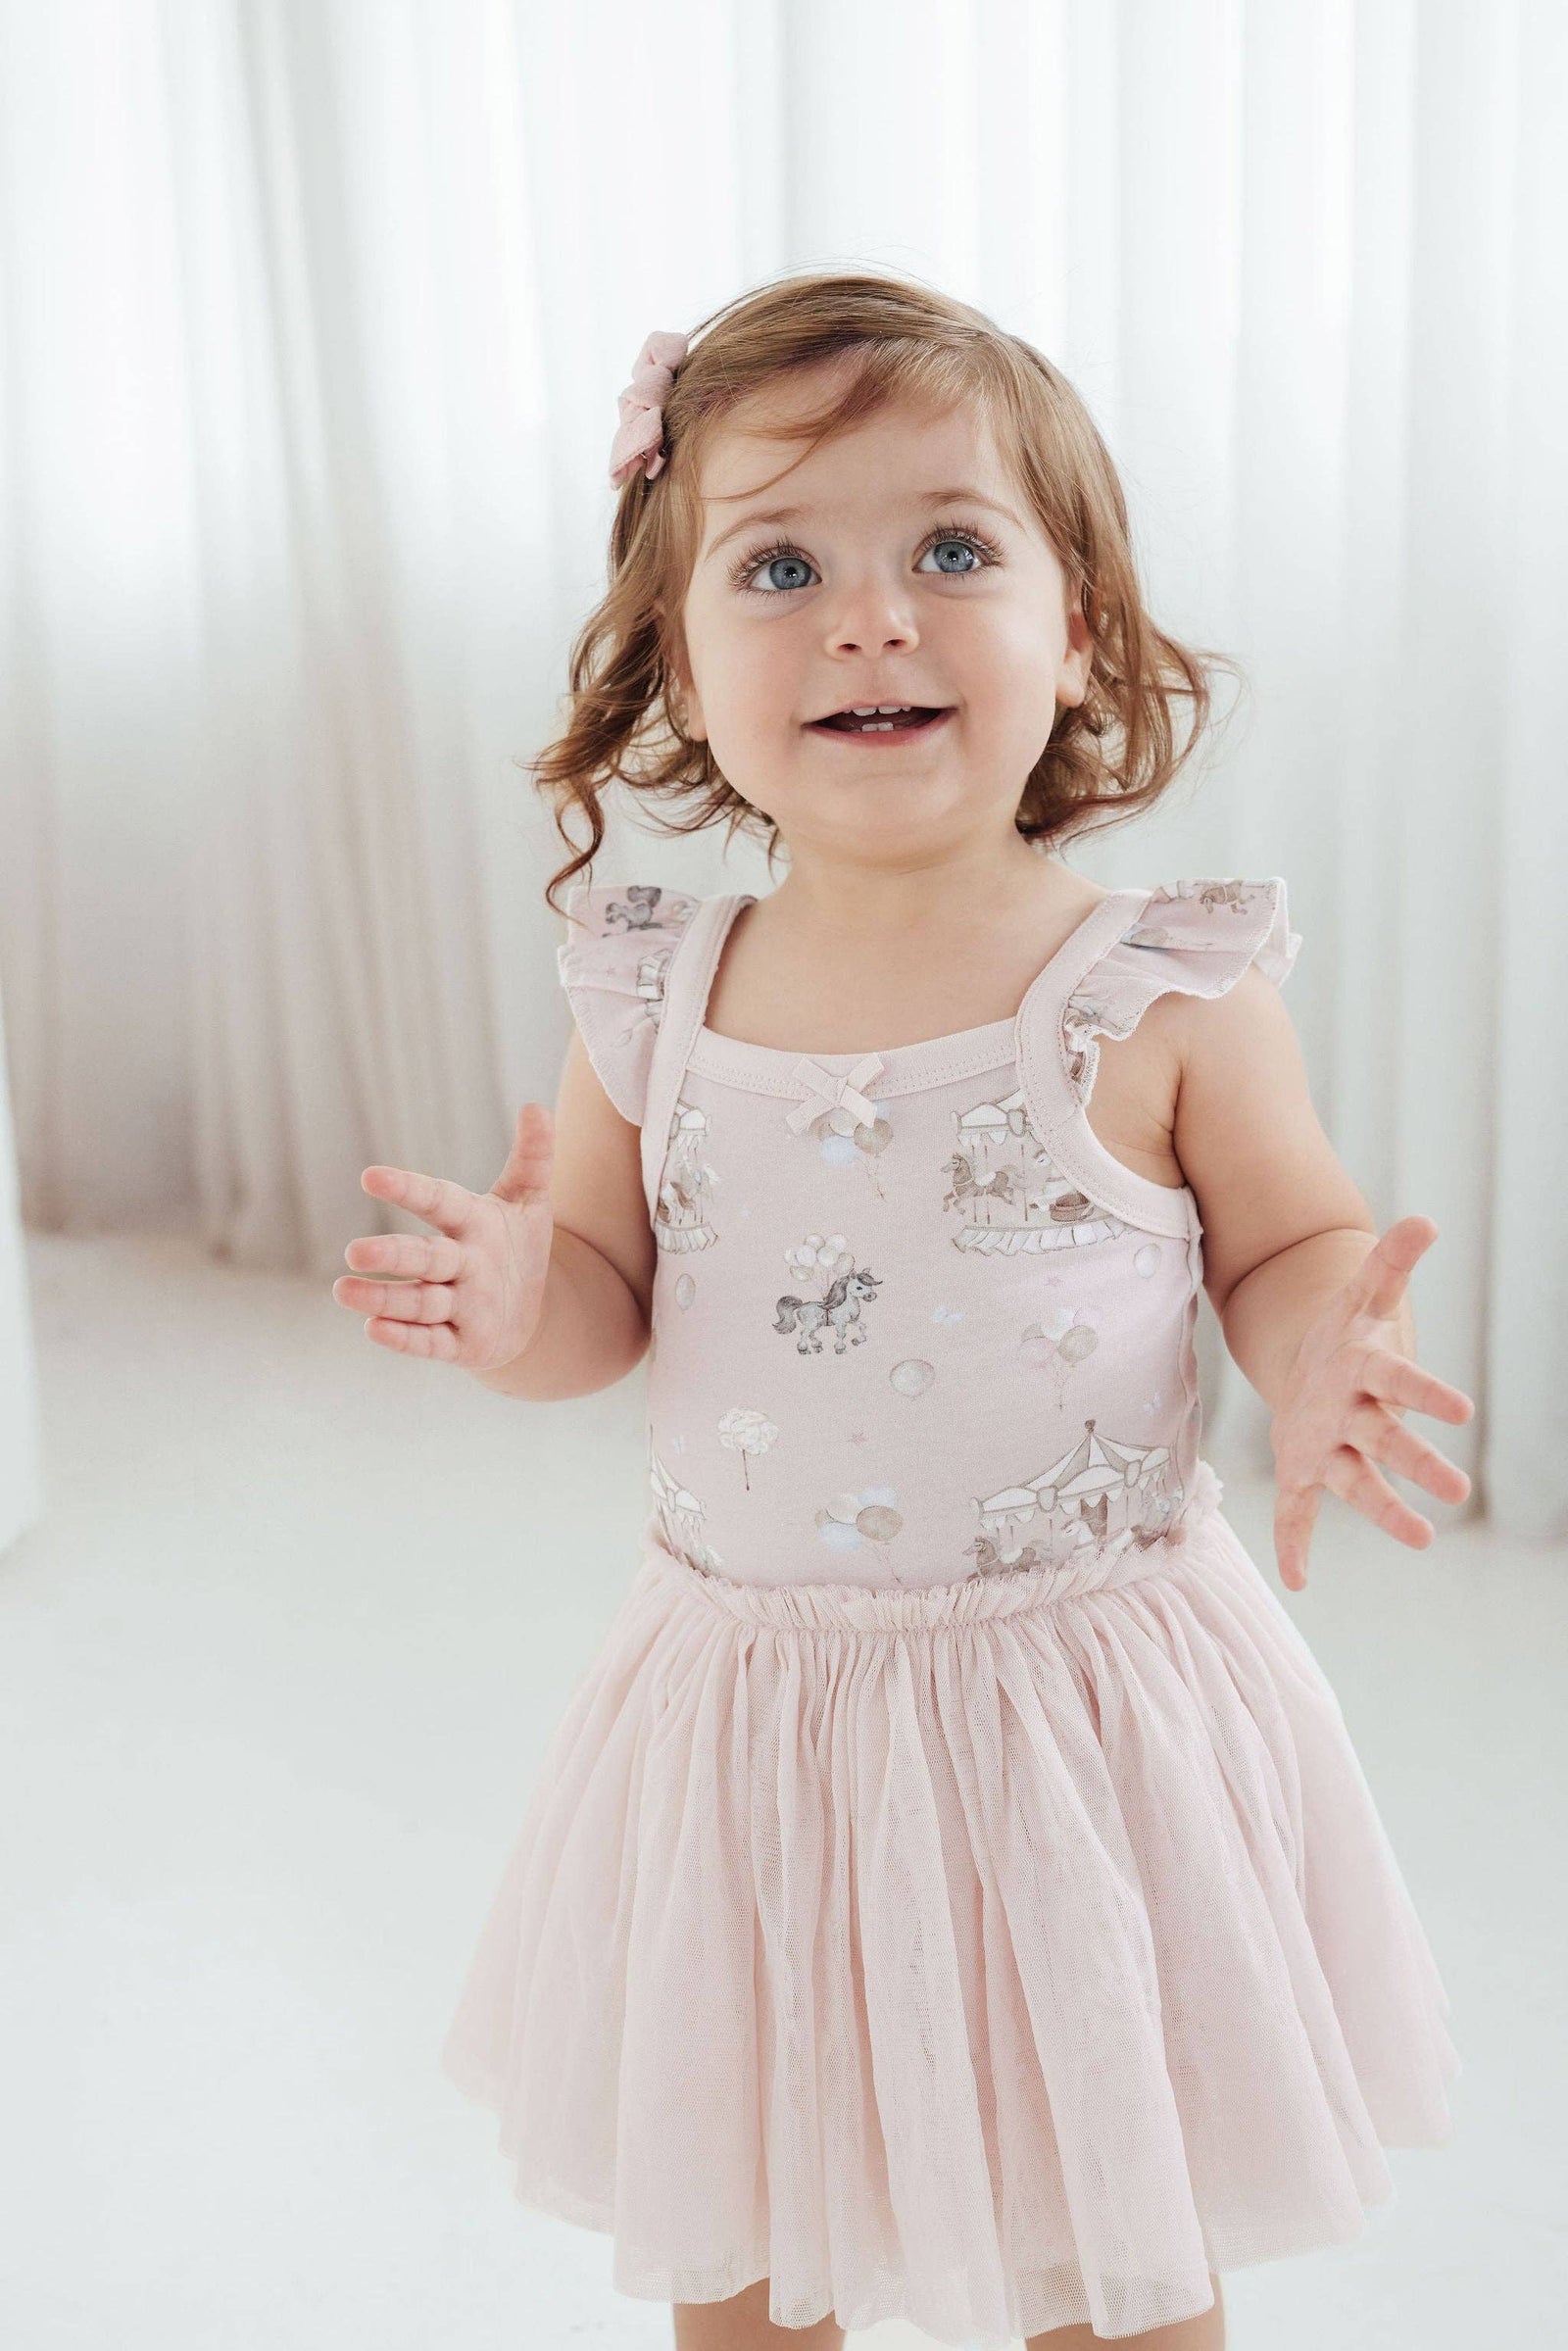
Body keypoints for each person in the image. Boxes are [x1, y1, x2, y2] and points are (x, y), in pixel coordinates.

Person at [332, 273, 1473, 2350]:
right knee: (750, 2225)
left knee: (1107, 2232)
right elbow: (603, 1299)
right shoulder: (654, 991)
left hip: (1073, 1721)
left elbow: (1285, 1242)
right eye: (780, 568)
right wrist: (515, 1301)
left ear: (1080, 630)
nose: (871, 620)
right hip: (755, 1724)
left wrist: (1327, 1345)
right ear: (681, 667)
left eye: (950, 550)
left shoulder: (1160, 987)